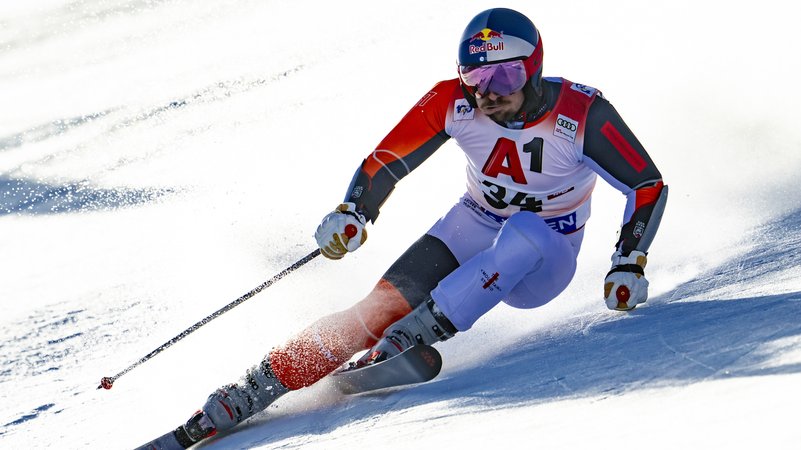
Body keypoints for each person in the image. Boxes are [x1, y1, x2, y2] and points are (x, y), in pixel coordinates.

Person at [172, 7, 668, 447]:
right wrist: (353, 211)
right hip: (475, 220)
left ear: (533, 71)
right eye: (475, 79)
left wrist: (628, 259)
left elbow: (646, 183)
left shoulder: (581, 113)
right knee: (375, 310)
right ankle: (252, 388)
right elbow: (386, 160)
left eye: (506, 77)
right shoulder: (451, 102)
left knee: (525, 232)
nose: (488, 94)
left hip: (545, 255)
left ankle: (413, 334)